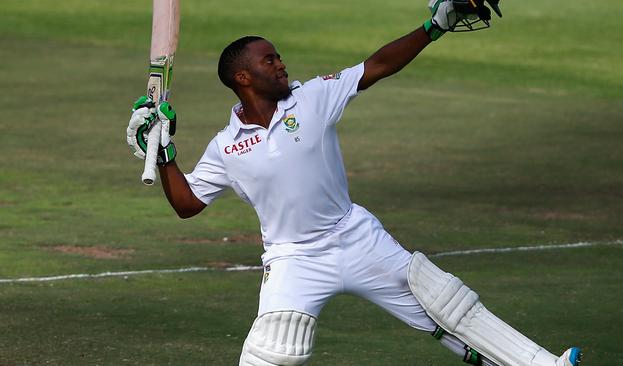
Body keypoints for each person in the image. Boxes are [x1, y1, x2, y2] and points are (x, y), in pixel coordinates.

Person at [127, 1, 582, 365]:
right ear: (243, 78)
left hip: (355, 237)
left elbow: (377, 66)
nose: (282, 64)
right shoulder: (225, 147)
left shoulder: (312, 98)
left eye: (279, 56)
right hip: (294, 258)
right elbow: (187, 203)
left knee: (445, 302)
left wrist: (434, 26)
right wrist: (165, 154)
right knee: (272, 352)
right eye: (270, 60)